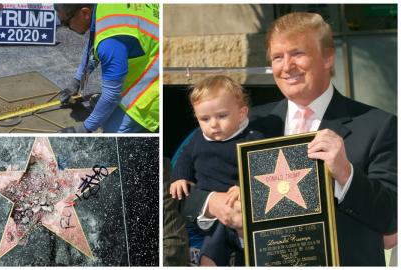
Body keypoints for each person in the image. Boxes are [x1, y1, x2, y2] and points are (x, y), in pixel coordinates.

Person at [181, 12, 397, 266]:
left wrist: (346, 174)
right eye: (277, 57)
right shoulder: (244, 123)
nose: (287, 66)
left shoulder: (378, 125)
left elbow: (390, 217)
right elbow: (184, 192)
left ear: (328, 57)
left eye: (297, 54)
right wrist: (213, 203)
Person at [170, 75, 264, 266]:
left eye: (222, 116)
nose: (213, 124)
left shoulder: (253, 139)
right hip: (212, 222)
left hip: (241, 210)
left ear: (241, 113)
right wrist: (180, 177)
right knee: (208, 258)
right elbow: (185, 159)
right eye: (205, 119)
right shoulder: (197, 139)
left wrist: (243, 187)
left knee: (252, 253)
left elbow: (261, 170)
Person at [54, 4, 159, 133]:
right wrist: (77, 82)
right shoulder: (101, 8)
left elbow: (111, 95)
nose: (67, 28)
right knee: (104, 110)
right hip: (151, 53)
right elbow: (93, 45)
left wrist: (83, 129)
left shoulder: (110, 42)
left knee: (111, 131)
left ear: (85, 13)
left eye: (65, 23)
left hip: (155, 85)